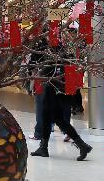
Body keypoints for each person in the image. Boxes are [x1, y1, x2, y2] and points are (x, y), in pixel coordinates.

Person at [30, 25, 92, 161]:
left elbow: (37, 67)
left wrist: (37, 71)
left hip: (51, 88)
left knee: (53, 118)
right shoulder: (60, 47)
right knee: (55, 119)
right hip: (59, 89)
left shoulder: (46, 49)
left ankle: (46, 147)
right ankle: (46, 147)